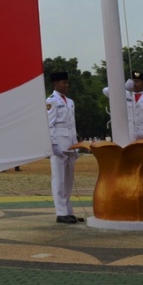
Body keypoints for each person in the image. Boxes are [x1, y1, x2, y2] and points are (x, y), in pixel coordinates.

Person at [103, 71, 143, 191]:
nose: (135, 84)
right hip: (130, 141)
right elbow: (106, 91)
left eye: (137, 81)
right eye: (133, 81)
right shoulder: (124, 96)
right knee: (132, 173)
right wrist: (125, 87)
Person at [47, 71, 80, 224]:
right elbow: (49, 124)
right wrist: (53, 144)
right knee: (59, 180)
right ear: (55, 84)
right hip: (59, 145)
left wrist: (76, 146)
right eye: (63, 83)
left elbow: (72, 125)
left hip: (70, 145)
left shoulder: (70, 101)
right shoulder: (52, 101)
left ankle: (68, 211)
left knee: (68, 181)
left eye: (67, 82)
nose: (66, 85)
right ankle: (61, 212)